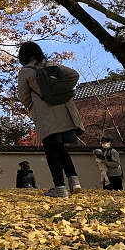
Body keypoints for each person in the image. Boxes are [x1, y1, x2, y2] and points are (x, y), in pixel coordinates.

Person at [16, 42, 84, 198]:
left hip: (45, 116)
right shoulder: (52, 65)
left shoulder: (26, 72)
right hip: (65, 114)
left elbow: (23, 96)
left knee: (51, 152)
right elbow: (74, 75)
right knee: (61, 149)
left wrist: (35, 105)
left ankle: (60, 188)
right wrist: (62, 90)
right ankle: (74, 182)